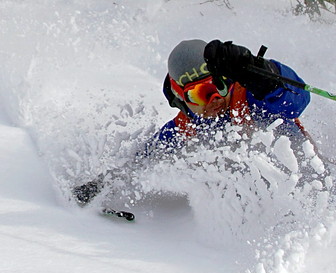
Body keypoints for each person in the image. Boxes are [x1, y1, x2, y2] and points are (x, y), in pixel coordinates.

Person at [73, 39, 313, 205]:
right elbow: (148, 158)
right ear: (182, 99)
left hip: (310, 189)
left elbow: (297, 101)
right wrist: (104, 184)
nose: (215, 98)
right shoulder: (189, 125)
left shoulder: (251, 96)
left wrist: (264, 75)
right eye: (200, 94)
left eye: (219, 84)